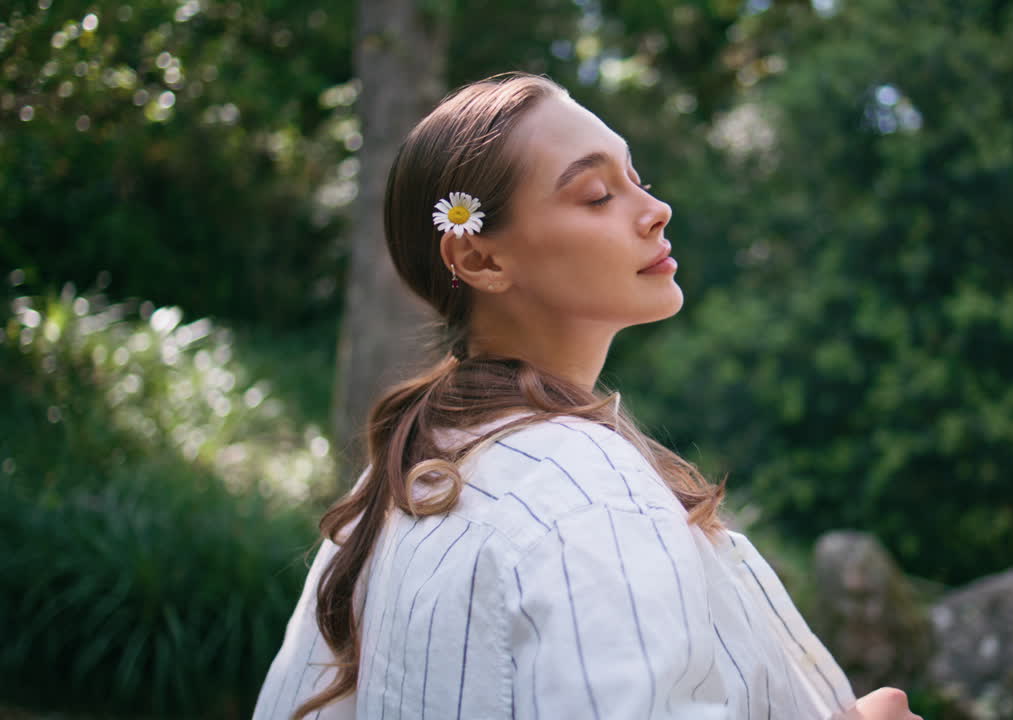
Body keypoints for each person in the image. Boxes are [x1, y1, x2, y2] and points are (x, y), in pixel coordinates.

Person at [252, 72, 921, 720]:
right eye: (598, 194)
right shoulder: (583, 485)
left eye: (638, 180)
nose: (655, 211)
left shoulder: (398, 483)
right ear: (480, 260)